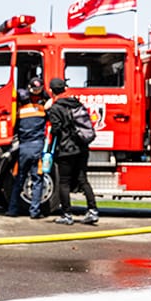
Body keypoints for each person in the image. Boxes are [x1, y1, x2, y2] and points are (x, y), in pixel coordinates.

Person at [48, 77, 99, 225]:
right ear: (65, 89)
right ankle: (93, 210)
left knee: (64, 182)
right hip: (82, 147)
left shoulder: (56, 108)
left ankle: (67, 214)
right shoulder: (76, 103)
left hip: (66, 149)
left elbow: (56, 130)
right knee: (83, 179)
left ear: (51, 91)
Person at [5, 76, 49, 219]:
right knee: (37, 180)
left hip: (23, 147)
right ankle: (34, 211)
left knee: (19, 179)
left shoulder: (20, 107)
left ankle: (12, 209)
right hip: (37, 147)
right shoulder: (43, 107)